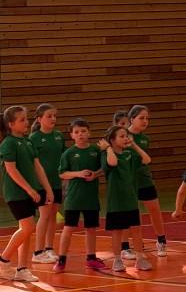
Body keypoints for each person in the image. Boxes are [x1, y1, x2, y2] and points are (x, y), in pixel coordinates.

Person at [0, 106, 53, 283]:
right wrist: (29, 189)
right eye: (22, 120)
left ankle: (22, 269)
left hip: (29, 192)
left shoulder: (28, 142)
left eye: (26, 119)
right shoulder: (9, 143)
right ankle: (3, 258)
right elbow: (11, 170)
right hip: (16, 193)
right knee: (28, 227)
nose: (27, 122)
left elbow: (38, 167)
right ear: (11, 124)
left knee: (26, 231)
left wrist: (47, 188)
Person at [98, 126, 152, 273]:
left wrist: (134, 145)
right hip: (116, 201)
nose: (125, 138)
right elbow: (113, 163)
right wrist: (108, 148)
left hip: (131, 199)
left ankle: (140, 259)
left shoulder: (129, 154)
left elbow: (147, 159)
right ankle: (117, 260)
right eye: (121, 136)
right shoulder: (106, 154)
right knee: (117, 232)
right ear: (112, 140)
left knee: (136, 230)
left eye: (126, 136)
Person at [54, 118, 105, 273]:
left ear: (89, 132)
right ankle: (61, 259)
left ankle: (91, 258)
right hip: (74, 198)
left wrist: (95, 174)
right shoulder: (68, 153)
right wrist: (78, 174)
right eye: (76, 132)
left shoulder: (96, 151)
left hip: (91, 198)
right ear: (72, 135)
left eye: (83, 131)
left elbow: (104, 168)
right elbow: (62, 174)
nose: (80, 134)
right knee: (68, 228)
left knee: (91, 228)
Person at [127, 105, 167, 258]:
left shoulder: (145, 139)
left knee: (154, 209)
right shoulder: (122, 136)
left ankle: (161, 241)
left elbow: (144, 159)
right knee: (131, 212)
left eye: (147, 118)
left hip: (144, 178)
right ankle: (129, 245)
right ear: (132, 119)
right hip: (128, 181)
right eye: (141, 118)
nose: (145, 121)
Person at [29, 104, 65, 263]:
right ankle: (38, 251)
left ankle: (49, 248)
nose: (53, 119)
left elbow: (64, 157)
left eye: (54, 116)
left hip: (56, 182)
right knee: (44, 215)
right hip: (41, 184)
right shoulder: (34, 138)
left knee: (53, 216)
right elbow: (32, 163)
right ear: (39, 119)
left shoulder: (59, 136)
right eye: (49, 116)